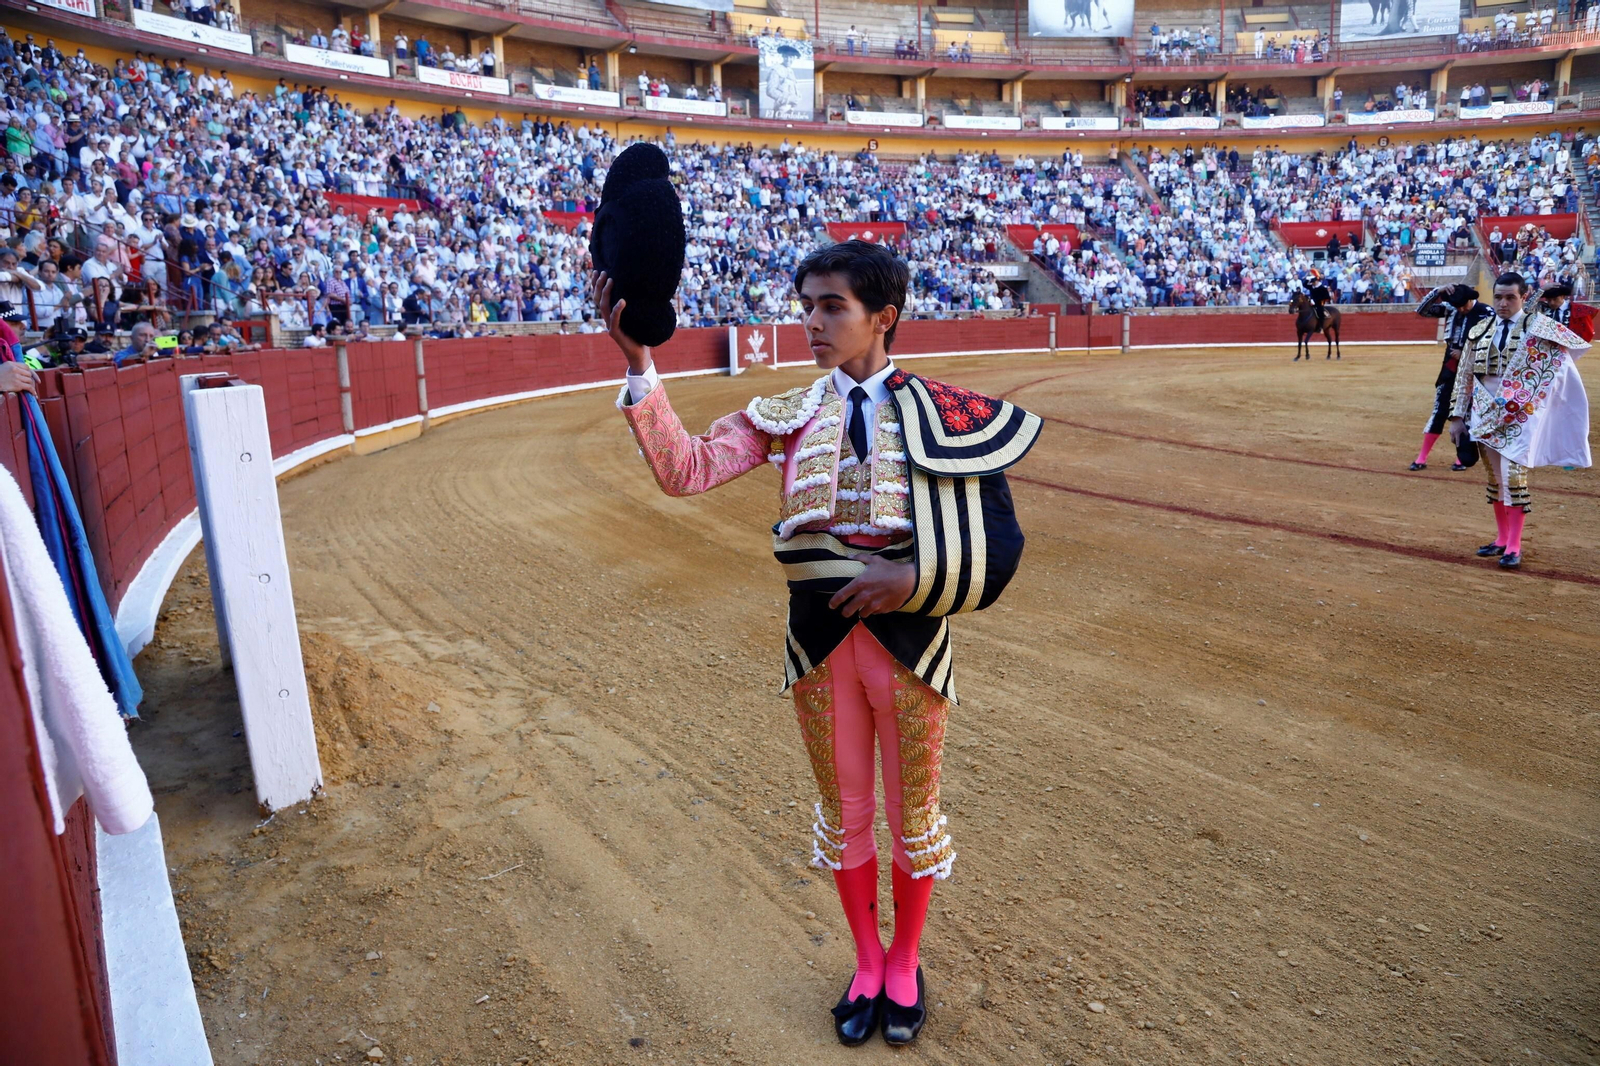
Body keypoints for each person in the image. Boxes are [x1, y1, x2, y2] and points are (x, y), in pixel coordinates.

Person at [601, 239, 1040, 1048]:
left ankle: (905, 962)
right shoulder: (790, 414)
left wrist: (907, 581)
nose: (811, 322)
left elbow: (1000, 544)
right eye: (806, 305)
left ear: (884, 317)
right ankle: (867, 961)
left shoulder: (951, 414)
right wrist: (641, 369)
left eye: (831, 306)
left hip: (911, 646)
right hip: (820, 649)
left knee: (914, 816)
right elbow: (685, 470)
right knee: (846, 815)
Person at [1447, 272, 1592, 569]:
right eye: (1498, 297)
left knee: (1514, 478)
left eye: (1510, 297)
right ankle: (1501, 539)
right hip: (1485, 411)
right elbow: (1465, 377)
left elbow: (1568, 355)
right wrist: (1457, 417)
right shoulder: (1480, 330)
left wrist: (1539, 399)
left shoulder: (1539, 329)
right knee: (1495, 479)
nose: (1502, 303)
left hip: (1521, 413)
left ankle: (1514, 545)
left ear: (1523, 297)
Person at [1413, 283, 1491, 470]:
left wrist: (1465, 352)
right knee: (1439, 409)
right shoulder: (1451, 309)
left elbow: (1492, 345)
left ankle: (1462, 458)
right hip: (1450, 366)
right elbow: (1422, 311)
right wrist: (1437, 291)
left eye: (1464, 305)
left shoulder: (1486, 313)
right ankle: (1421, 458)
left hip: (1474, 370)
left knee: (1467, 412)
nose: (1461, 309)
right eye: (1458, 306)